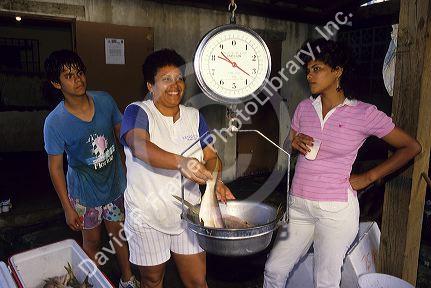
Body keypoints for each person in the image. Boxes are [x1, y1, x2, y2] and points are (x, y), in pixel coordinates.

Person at [263, 39, 422, 288]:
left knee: (325, 281)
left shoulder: (363, 113)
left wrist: (369, 177)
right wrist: (293, 144)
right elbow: (287, 145)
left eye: (317, 69)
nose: (309, 76)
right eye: (308, 71)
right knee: (273, 270)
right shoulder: (305, 108)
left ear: (337, 71)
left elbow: (412, 147)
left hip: (335, 211)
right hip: (298, 207)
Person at [120, 49, 234, 288]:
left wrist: (215, 181)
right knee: (152, 279)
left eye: (180, 78)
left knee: (196, 280)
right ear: (150, 85)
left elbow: (211, 156)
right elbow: (138, 145)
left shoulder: (194, 116)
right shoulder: (138, 111)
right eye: (166, 79)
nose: (175, 85)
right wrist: (181, 162)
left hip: (188, 213)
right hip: (147, 214)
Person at [43, 50, 139, 288]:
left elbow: (122, 137)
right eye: (68, 75)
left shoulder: (105, 100)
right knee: (92, 242)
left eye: (79, 72)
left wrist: (132, 173)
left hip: (115, 185)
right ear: (56, 83)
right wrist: (67, 207)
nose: (78, 79)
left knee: (118, 235)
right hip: (85, 195)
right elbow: (55, 168)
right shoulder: (55, 122)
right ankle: (93, 283)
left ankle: (127, 279)